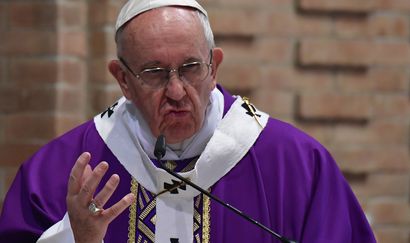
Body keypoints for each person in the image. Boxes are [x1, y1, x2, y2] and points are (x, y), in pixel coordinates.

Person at [0, 0, 376, 242]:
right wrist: (75, 239)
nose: (177, 91)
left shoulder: (295, 165)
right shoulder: (65, 170)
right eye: (154, 72)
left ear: (215, 66)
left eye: (191, 68)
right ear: (123, 80)